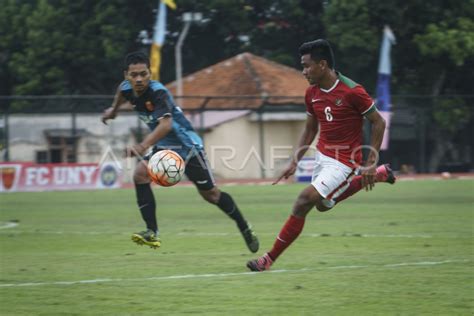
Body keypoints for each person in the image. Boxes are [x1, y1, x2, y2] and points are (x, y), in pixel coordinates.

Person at [246, 39, 395, 271]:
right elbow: (310, 129)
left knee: (304, 200)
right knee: (323, 205)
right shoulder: (311, 93)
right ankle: (379, 175)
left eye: (307, 66)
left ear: (323, 64)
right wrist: (295, 160)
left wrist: (370, 161)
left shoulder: (352, 91)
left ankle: (268, 259)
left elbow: (378, 122)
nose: (304, 71)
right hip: (322, 157)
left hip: (345, 162)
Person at [101, 51, 259, 253]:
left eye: (143, 74)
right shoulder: (125, 89)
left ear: (150, 73)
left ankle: (244, 226)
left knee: (211, 195)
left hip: (187, 146)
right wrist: (111, 113)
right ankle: (152, 232)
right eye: (134, 75)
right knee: (140, 175)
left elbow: (166, 125)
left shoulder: (158, 93)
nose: (139, 79)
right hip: (163, 146)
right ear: (126, 76)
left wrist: (142, 146)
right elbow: (119, 99)